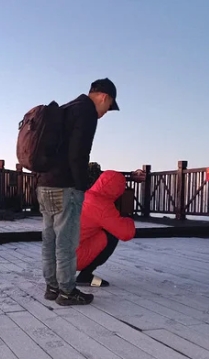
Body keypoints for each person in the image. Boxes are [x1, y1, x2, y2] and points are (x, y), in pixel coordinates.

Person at [38, 78, 119, 306]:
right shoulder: (87, 112)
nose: (104, 113)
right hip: (65, 186)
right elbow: (78, 154)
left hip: (44, 184)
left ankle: (51, 287)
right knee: (66, 241)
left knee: (49, 239)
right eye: (108, 107)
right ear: (104, 97)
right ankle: (67, 291)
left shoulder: (67, 108)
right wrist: (82, 186)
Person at [75, 170, 137, 287]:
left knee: (96, 229)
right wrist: (127, 218)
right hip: (74, 258)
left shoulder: (84, 195)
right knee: (112, 234)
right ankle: (85, 276)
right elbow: (126, 233)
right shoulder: (102, 206)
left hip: (58, 254)